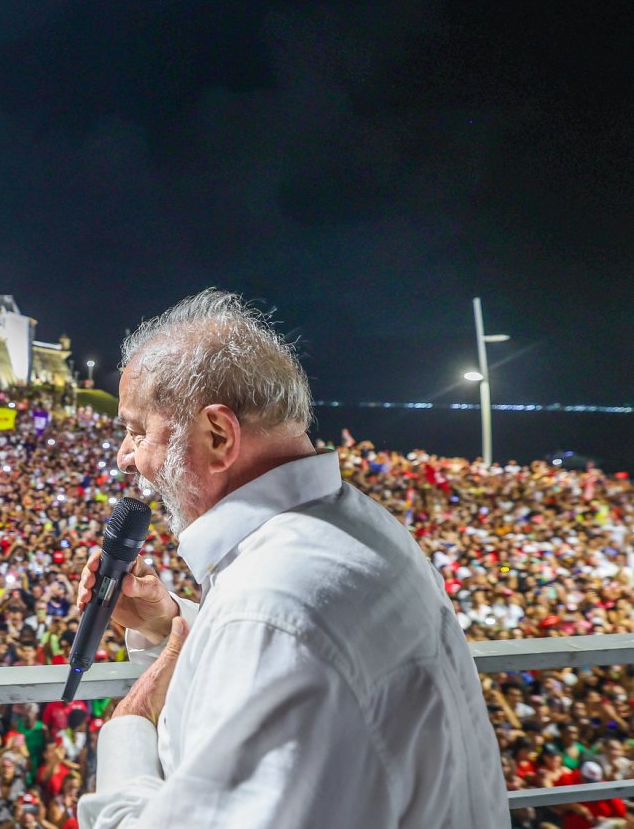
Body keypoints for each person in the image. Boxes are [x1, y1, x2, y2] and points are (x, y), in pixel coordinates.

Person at [75, 289, 511, 827]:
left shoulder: (269, 610)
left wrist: (128, 730)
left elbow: (278, 636)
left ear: (218, 436)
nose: (124, 457)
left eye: (138, 431)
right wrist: (173, 624)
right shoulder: (357, 526)